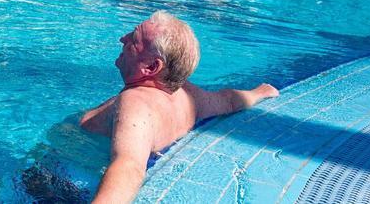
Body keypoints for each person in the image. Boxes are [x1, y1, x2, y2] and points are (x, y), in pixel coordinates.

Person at [79, 11, 279, 203]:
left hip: (74, 181)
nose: (123, 39)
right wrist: (258, 93)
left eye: (134, 39)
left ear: (150, 67)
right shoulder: (188, 95)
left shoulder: (136, 102)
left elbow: (129, 167)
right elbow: (228, 101)